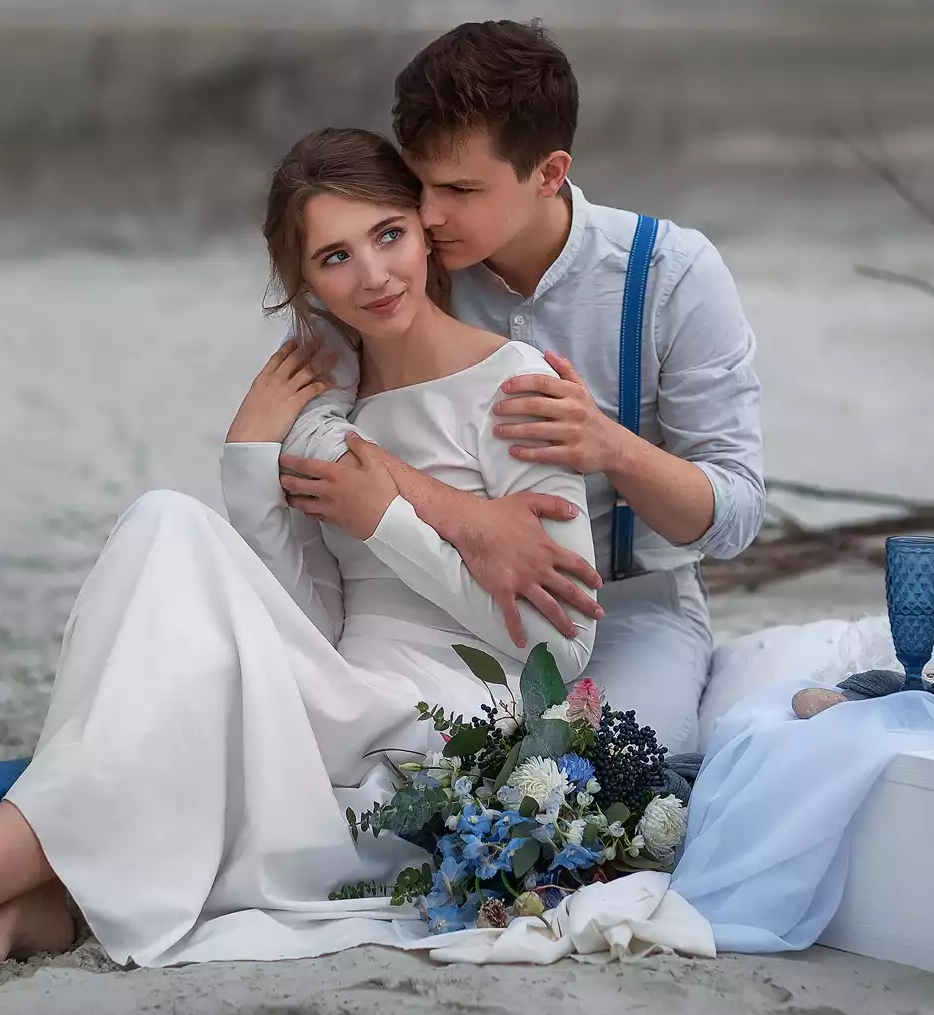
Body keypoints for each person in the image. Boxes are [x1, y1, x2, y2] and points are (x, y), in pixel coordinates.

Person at [0, 128, 598, 997]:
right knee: (163, 522)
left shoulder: (515, 384)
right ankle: (31, 898)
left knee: (170, 603)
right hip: (334, 694)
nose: (372, 275)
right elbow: (308, 618)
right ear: (303, 283)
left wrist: (388, 523)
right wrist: (249, 460)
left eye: (388, 235)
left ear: (423, 228)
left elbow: (563, 658)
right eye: (334, 256)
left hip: (446, 721)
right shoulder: (327, 409)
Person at [282, 20, 764, 755]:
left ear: (548, 172)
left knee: (622, 785)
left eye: (462, 189)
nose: (430, 215)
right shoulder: (401, 270)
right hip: (433, 601)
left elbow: (736, 518)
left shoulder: (672, 276)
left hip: (630, 609)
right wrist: (468, 518)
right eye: (421, 185)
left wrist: (612, 448)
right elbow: (314, 434)